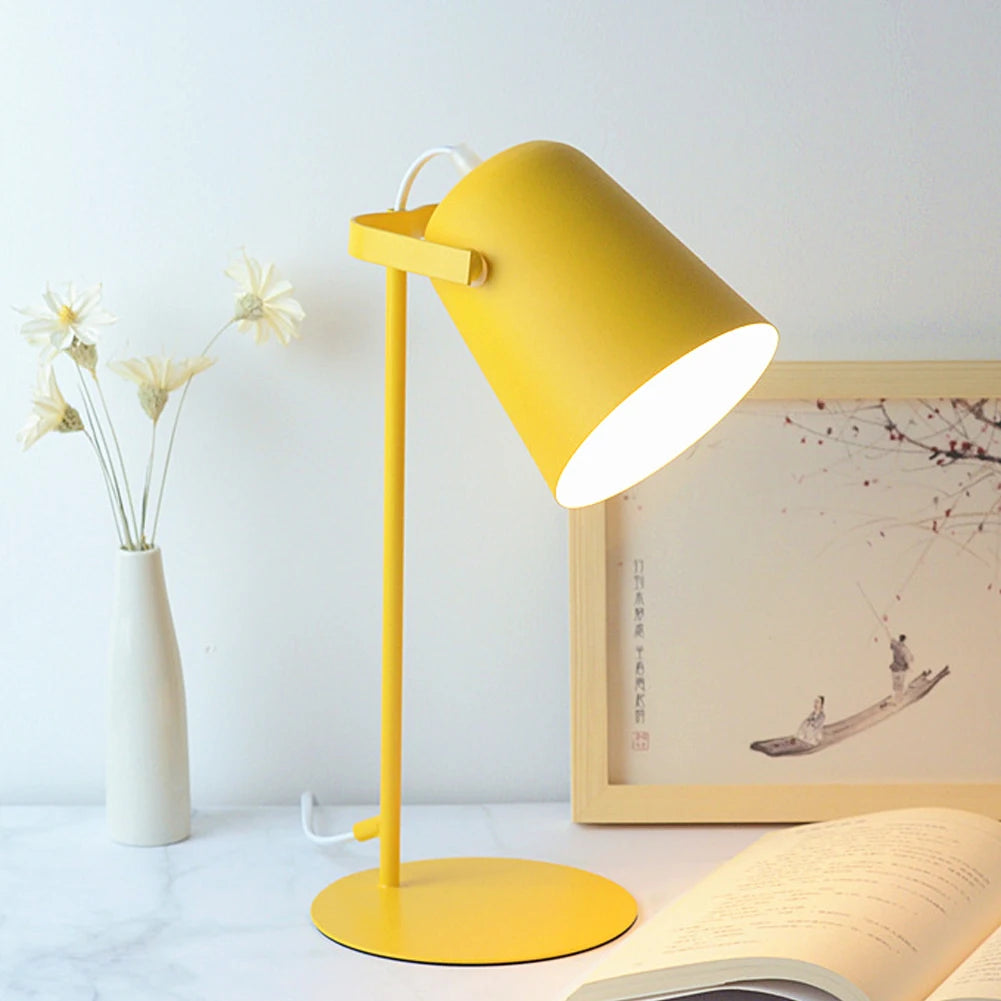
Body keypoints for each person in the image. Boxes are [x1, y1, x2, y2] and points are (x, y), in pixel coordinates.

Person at [889, 634, 913, 700]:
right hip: (901, 669)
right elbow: (909, 659)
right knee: (901, 684)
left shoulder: (895, 645)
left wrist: (892, 639)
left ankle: (895, 697)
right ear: (904, 640)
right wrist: (909, 666)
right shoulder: (904, 649)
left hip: (894, 668)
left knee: (895, 684)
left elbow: (892, 644)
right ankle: (899, 699)